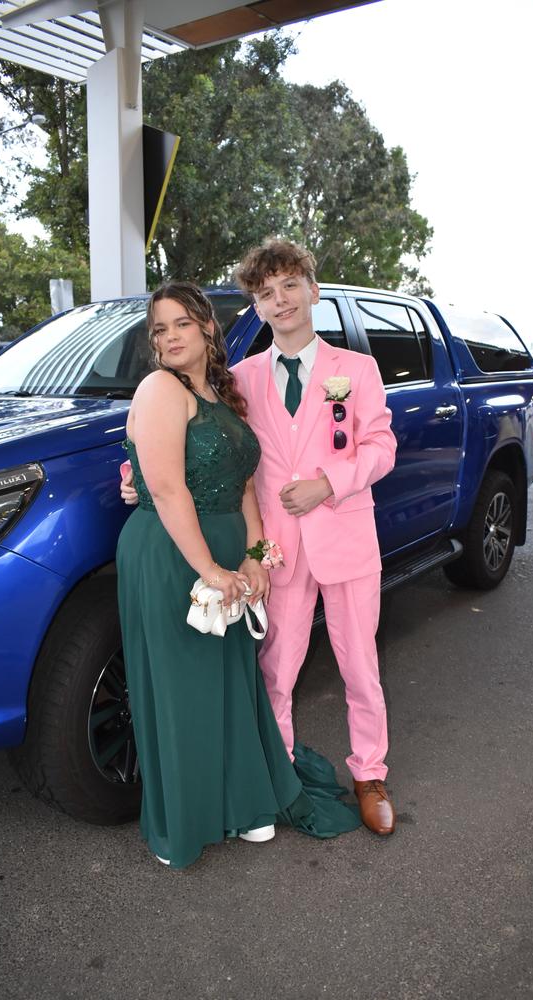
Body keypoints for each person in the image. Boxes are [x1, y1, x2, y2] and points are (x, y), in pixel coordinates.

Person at [117, 281, 358, 870]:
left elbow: (248, 484)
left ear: (205, 328)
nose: (169, 337)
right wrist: (210, 568)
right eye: (159, 329)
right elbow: (168, 488)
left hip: (229, 555)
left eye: (180, 324)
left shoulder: (222, 392)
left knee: (230, 681)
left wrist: (257, 555)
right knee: (183, 689)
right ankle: (188, 818)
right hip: (173, 555)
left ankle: (245, 801)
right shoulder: (158, 390)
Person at [231, 239, 398, 836]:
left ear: (312, 290)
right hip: (275, 547)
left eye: (289, 287)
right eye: (265, 293)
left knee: (360, 665)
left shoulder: (356, 370)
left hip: (346, 538)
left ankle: (369, 773)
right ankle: (279, 770)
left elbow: (381, 447)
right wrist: (134, 475)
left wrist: (329, 483)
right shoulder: (241, 378)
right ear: (256, 307)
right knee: (276, 667)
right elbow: (198, 434)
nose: (280, 301)